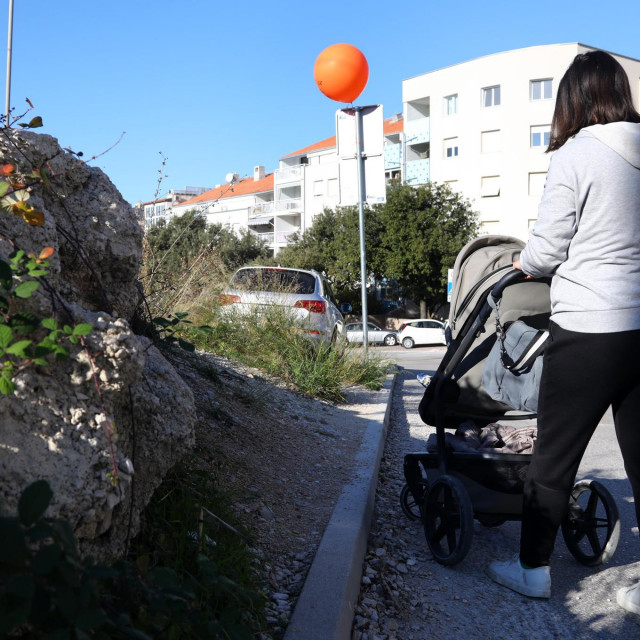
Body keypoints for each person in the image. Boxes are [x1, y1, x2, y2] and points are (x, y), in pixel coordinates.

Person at [486, 49, 640, 614]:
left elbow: (549, 248)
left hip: (591, 327)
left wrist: (522, 264)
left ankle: (531, 570)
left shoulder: (578, 153)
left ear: (574, 100)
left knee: (554, 457)